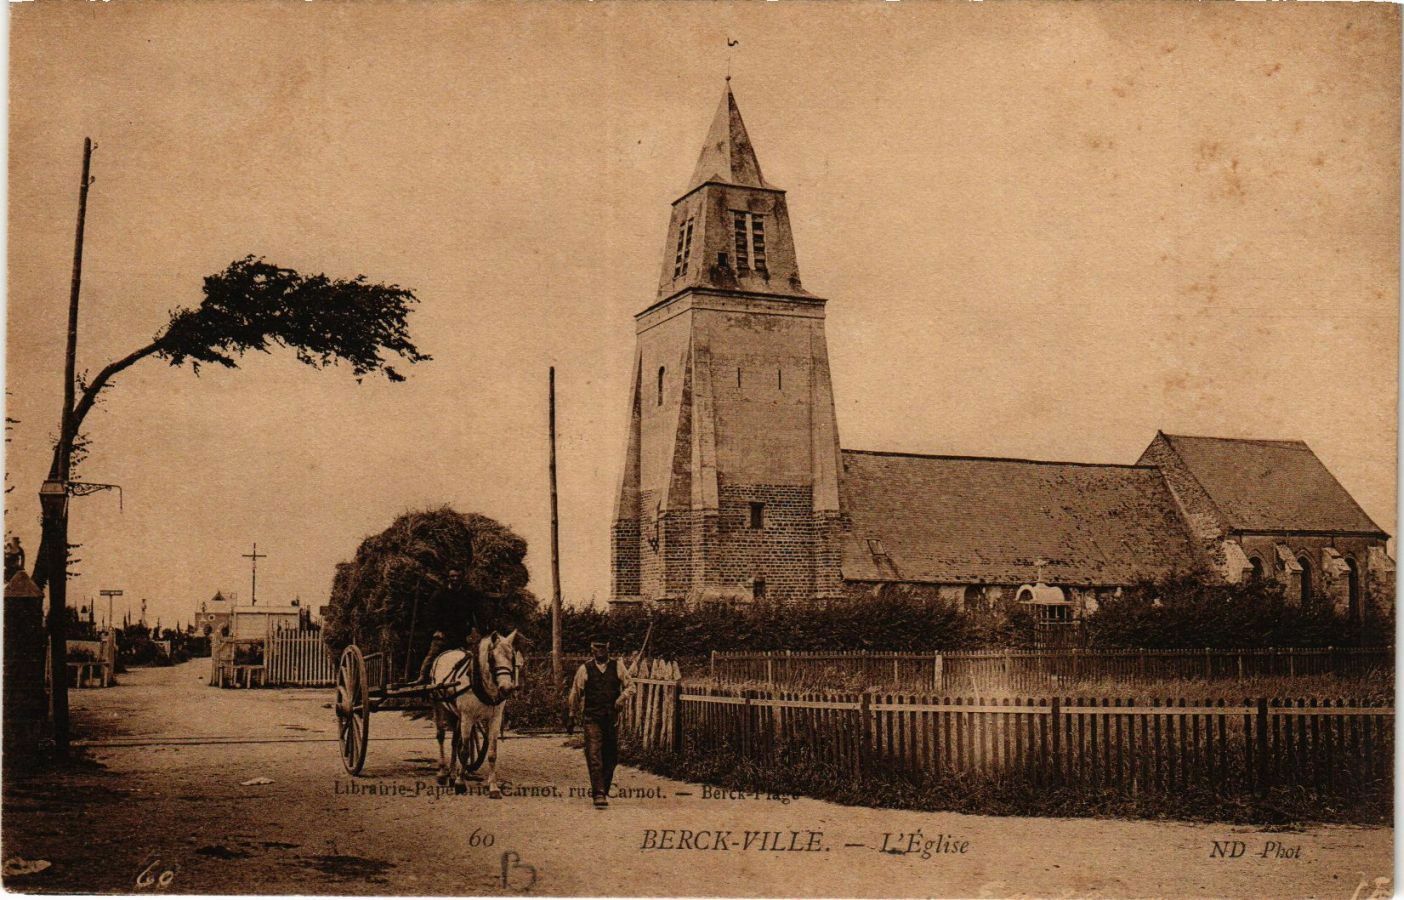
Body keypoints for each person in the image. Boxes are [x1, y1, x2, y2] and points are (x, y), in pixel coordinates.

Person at [567, 639, 633, 809]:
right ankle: (599, 793)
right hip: (592, 718)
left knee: (611, 756)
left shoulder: (617, 667)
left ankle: (603, 787)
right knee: (594, 754)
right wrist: (571, 715)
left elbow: (631, 686)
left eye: (603, 647)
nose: (600, 651)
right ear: (592, 649)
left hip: (611, 718)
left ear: (608, 648)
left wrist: (621, 698)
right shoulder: (585, 669)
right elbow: (576, 693)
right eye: (597, 648)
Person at [415, 567, 478, 684]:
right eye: (453, 576)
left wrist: (473, 629)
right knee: (432, 655)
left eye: (458, 576)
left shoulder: (467, 594)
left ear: (463, 578)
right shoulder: (440, 594)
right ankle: (423, 676)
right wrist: (436, 631)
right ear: (448, 578)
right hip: (444, 634)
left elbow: (473, 612)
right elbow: (429, 614)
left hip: (461, 635)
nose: (455, 579)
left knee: (472, 657)